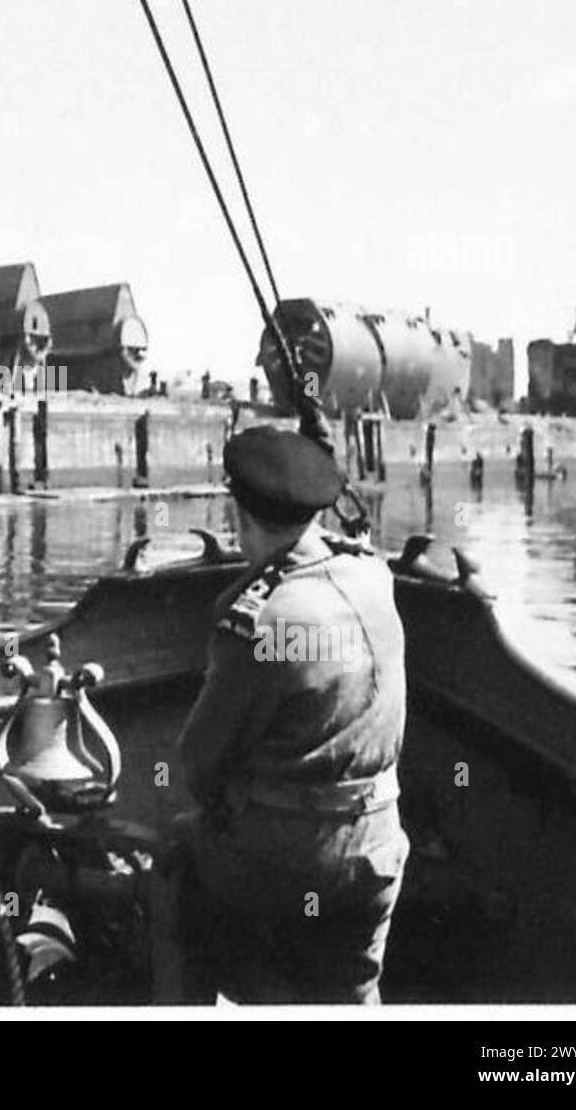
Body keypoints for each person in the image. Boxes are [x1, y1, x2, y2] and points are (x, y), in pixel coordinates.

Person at [176, 425, 408, 1004]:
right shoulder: (374, 576)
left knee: (172, 860)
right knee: (353, 988)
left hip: (288, 867)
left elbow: (200, 766)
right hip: (379, 850)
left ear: (239, 514)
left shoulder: (258, 619)